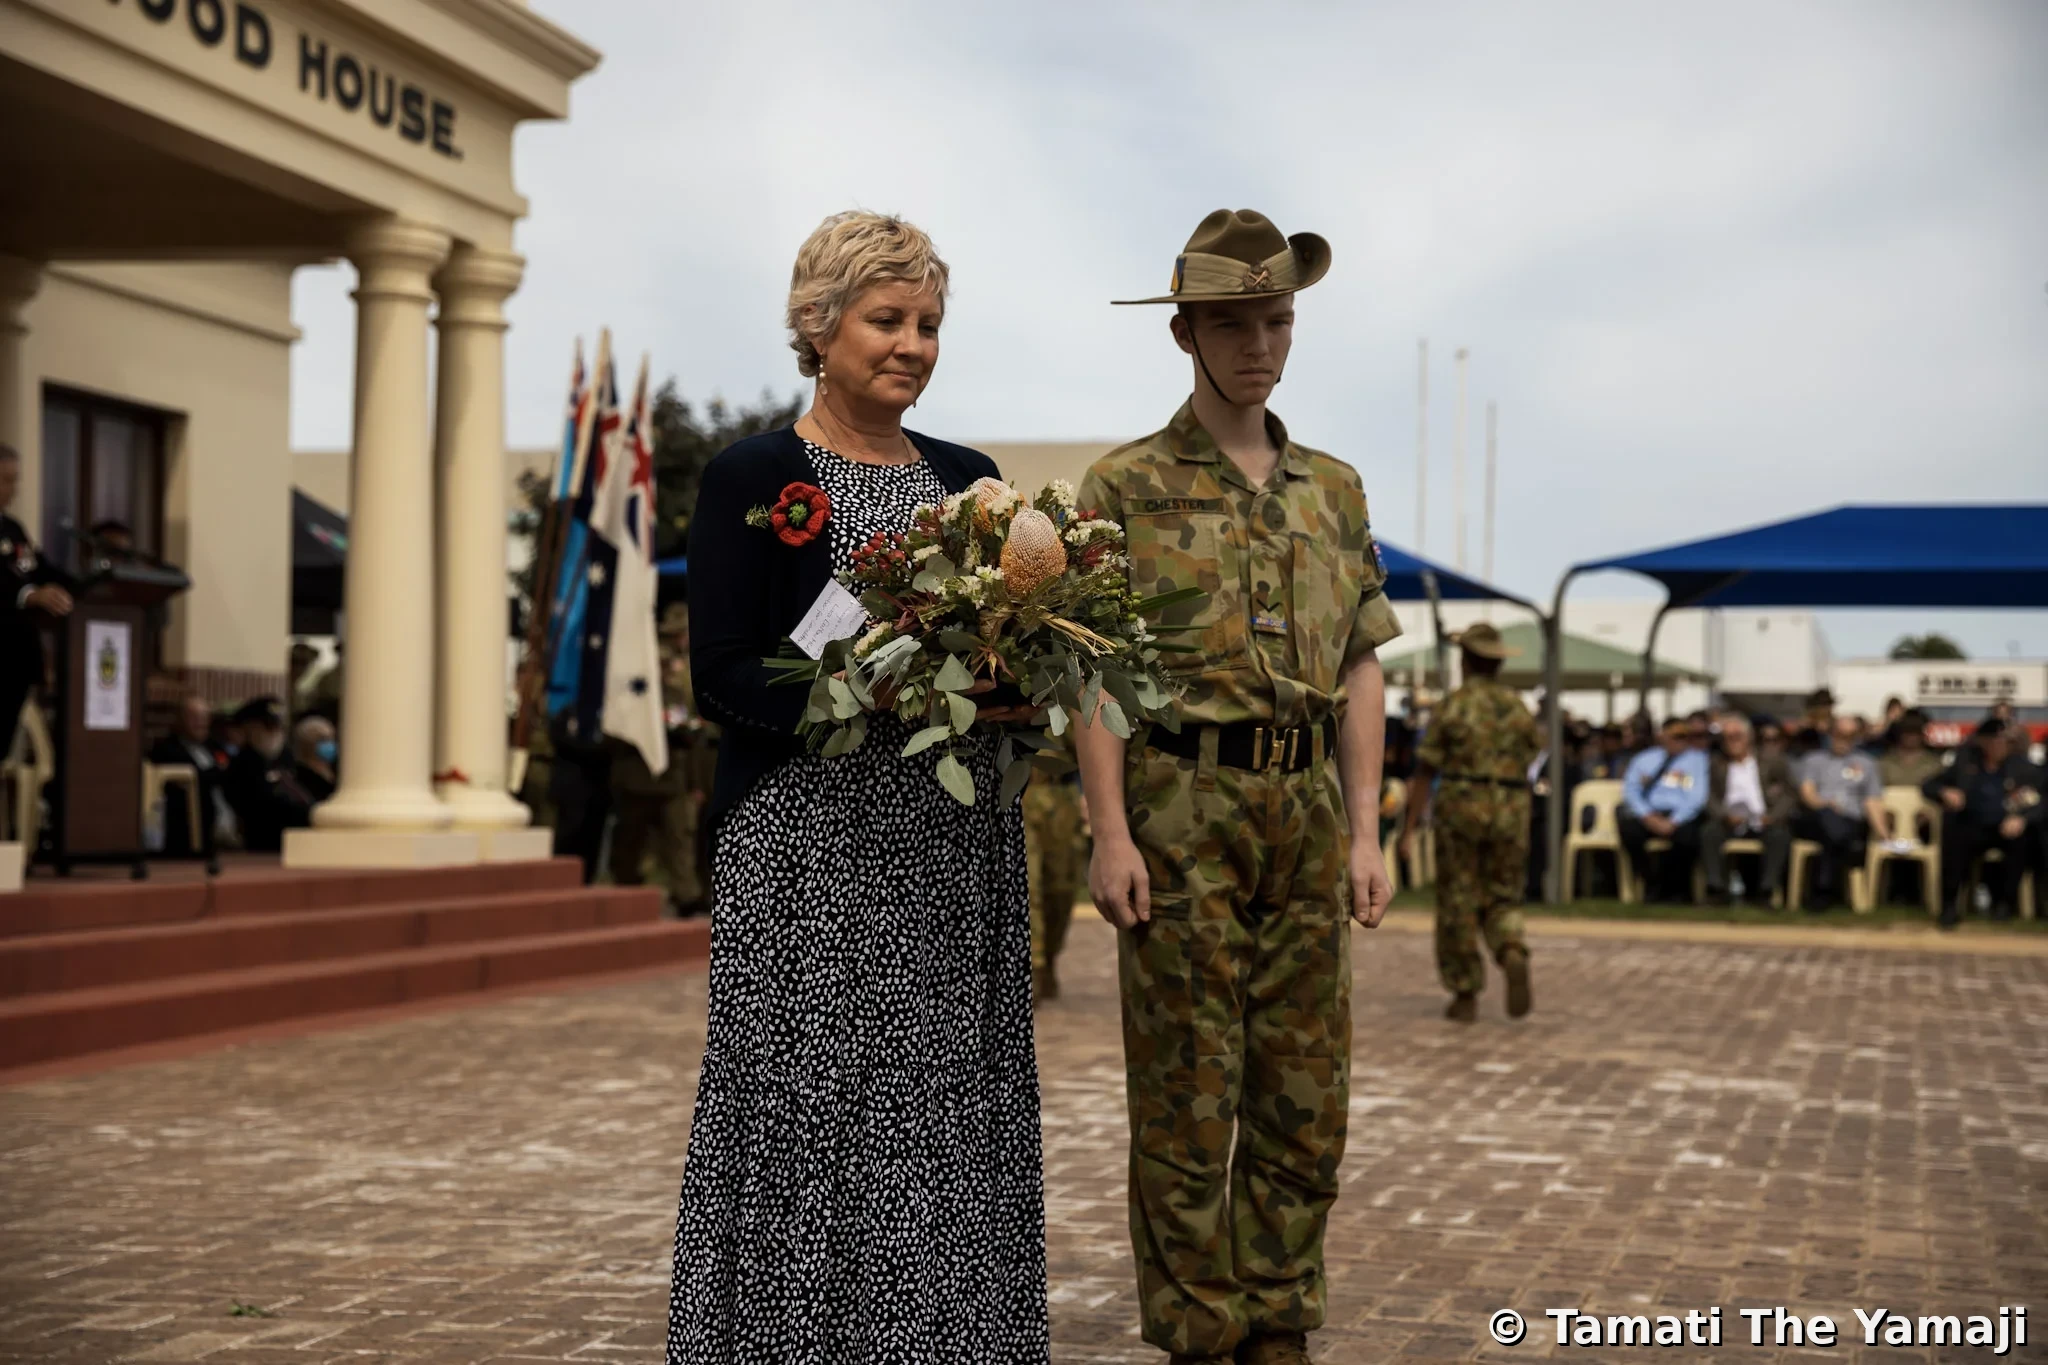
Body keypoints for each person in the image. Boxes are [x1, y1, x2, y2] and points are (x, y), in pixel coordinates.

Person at [666, 211, 1048, 1364]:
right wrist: (872, 696)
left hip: (948, 844)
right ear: (819, 326)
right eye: (888, 319)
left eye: (929, 323)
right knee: (809, 1108)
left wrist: (1019, 684)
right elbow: (722, 673)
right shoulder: (755, 475)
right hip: (805, 849)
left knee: (940, 1103)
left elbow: (1005, 649)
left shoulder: (971, 483)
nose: (913, 344)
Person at [1075, 208, 1400, 1365]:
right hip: (1179, 806)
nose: (1257, 344)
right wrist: (1107, 832)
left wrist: (1366, 832)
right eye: (1231, 323)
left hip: (1304, 809)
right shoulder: (1122, 487)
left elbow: (1360, 667)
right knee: (1185, 1091)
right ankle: (1198, 1333)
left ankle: (1277, 1315)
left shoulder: (1333, 489)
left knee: (1303, 1089)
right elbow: (1095, 671)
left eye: (1276, 320)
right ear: (1184, 334)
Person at [1401, 622, 1539, 1022]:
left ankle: (1465, 993)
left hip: (1462, 805)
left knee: (1458, 899)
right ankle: (1510, 946)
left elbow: (1426, 769)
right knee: (1504, 893)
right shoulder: (1517, 708)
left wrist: (1409, 829)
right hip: (1511, 807)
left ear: (1466, 661)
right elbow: (1531, 755)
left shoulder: (1455, 705)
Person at [1923, 719, 2042, 925]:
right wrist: (1946, 792)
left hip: (2005, 827)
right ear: (1983, 742)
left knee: (2023, 841)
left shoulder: (2023, 768)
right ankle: (1950, 905)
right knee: (1952, 832)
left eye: (2005, 742)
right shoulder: (1966, 762)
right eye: (1996, 741)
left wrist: (2022, 818)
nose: (2001, 746)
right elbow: (1929, 785)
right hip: (1971, 824)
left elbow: (2041, 801)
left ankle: (2005, 905)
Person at [1, 443, 74, 764]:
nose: (13, 490)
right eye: (6, 480)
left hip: (16, 659)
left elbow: (37, 568)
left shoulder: (13, 529)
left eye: (15, 480)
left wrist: (88, 583)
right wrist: (30, 596)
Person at [1792, 715, 1887, 910]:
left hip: (1850, 821)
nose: (1844, 739)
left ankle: (1822, 891)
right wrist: (1825, 804)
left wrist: (1884, 832)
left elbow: (1872, 801)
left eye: (1850, 735)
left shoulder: (1867, 764)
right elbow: (1807, 794)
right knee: (1830, 822)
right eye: (1840, 734)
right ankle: (1834, 877)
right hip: (1816, 817)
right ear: (1831, 734)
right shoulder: (1813, 760)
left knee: (1834, 833)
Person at [1702, 715, 1796, 906]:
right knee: (1709, 832)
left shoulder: (1772, 761)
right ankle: (1716, 888)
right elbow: (1709, 796)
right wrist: (1724, 815)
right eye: (1727, 737)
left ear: (1748, 737)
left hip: (1763, 820)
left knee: (1780, 835)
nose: (1732, 741)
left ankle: (1766, 890)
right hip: (1729, 820)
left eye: (1736, 736)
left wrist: (1772, 816)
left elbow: (1789, 793)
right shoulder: (1717, 763)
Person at [1617, 716, 1711, 903]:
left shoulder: (1698, 761)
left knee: (1689, 837)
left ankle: (1676, 891)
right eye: (1675, 736)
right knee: (1628, 828)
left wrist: (1674, 820)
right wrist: (1647, 816)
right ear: (1663, 736)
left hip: (1681, 816)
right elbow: (1631, 791)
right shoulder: (1644, 759)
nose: (1680, 740)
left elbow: (1697, 796)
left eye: (1684, 736)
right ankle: (1649, 884)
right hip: (1649, 813)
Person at [1023, 763, 1086, 1006]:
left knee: (1061, 890)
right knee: (1028, 887)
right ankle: (1031, 969)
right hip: (1017, 790)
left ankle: (1048, 958)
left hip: (1062, 793)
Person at [147, 692, 234, 856]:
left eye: (204, 717)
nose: (200, 723)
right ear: (180, 719)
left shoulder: (213, 747)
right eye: (194, 717)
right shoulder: (167, 749)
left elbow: (231, 773)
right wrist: (218, 773)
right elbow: (197, 779)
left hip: (221, 831)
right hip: (184, 835)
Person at [221, 697, 313, 853]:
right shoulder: (243, 765)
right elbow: (256, 806)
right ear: (251, 728)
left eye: (278, 726)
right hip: (264, 846)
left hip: (299, 843)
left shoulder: (287, 758)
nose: (275, 732)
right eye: (268, 727)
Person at [1879, 709, 1943, 789]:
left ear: (1922, 735)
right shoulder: (1884, 763)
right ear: (1899, 733)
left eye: (1916, 733)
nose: (1911, 737)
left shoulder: (1935, 764)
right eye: (1907, 732)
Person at [289, 715, 338, 805]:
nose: (330, 744)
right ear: (306, 744)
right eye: (323, 739)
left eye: (332, 738)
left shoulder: (334, 776)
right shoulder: (300, 782)